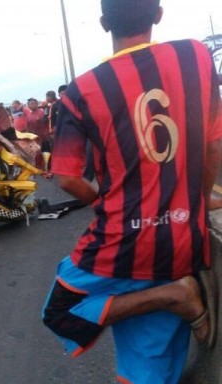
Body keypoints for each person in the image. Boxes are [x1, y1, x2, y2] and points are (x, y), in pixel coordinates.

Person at [42, 1, 222, 383]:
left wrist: (104, 205)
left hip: (124, 244)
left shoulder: (82, 91)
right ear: (158, 15)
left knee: (60, 312)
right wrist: (196, 200)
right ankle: (172, 296)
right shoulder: (196, 56)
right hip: (185, 241)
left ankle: (175, 297)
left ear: (105, 23)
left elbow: (67, 178)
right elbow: (213, 148)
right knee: (150, 361)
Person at [26, 97, 50, 170]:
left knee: (46, 152)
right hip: (35, 139)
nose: (31, 105)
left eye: (33, 103)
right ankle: (40, 167)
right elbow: (28, 128)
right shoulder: (29, 115)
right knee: (38, 153)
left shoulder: (42, 112)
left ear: (37, 104)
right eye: (30, 104)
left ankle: (48, 167)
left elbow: (48, 122)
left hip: (44, 137)